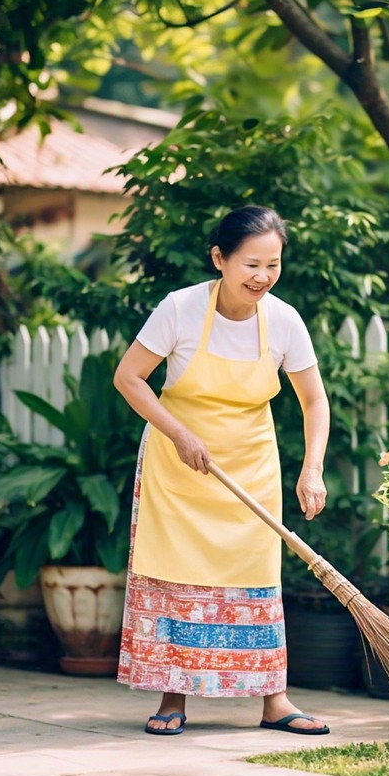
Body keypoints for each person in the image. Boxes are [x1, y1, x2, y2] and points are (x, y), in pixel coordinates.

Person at [113, 205, 331, 736]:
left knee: (256, 579)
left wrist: (312, 470)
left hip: (250, 467)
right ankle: (172, 696)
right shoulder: (181, 308)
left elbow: (314, 400)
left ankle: (274, 700)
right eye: (250, 264)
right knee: (177, 577)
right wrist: (180, 433)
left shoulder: (284, 320)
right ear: (220, 258)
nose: (262, 277)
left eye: (273, 265)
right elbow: (130, 378)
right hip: (177, 465)